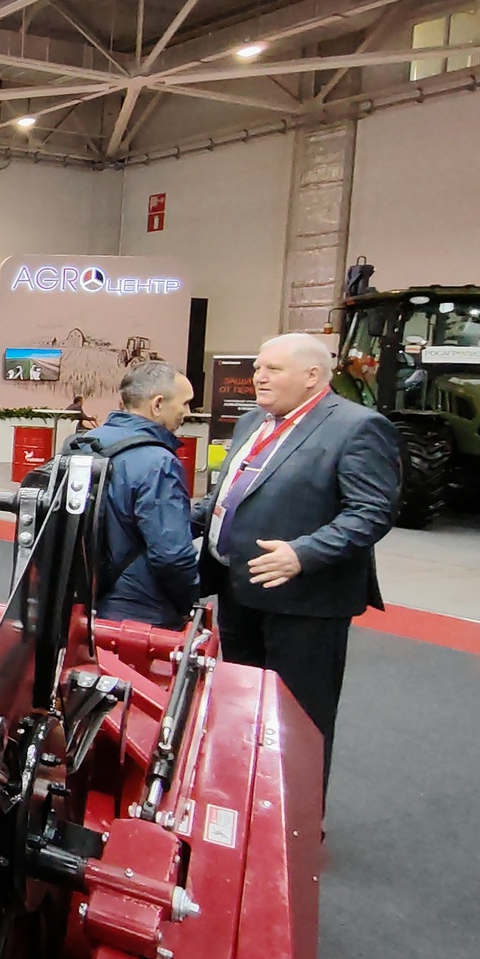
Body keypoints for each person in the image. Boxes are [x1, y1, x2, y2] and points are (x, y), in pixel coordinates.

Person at [194, 332, 402, 794]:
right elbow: (227, 498)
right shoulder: (253, 422)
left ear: (312, 376)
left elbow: (371, 512)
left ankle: (296, 823)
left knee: (298, 717)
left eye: (273, 369)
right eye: (257, 368)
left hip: (306, 602)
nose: (259, 378)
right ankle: (246, 807)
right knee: (244, 705)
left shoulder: (356, 427)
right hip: (238, 589)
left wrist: (303, 553)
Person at [74, 359, 200, 628]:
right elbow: (172, 555)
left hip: (78, 600)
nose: (188, 412)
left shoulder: (80, 444)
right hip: (139, 613)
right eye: (185, 403)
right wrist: (189, 600)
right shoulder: (159, 463)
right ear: (157, 404)